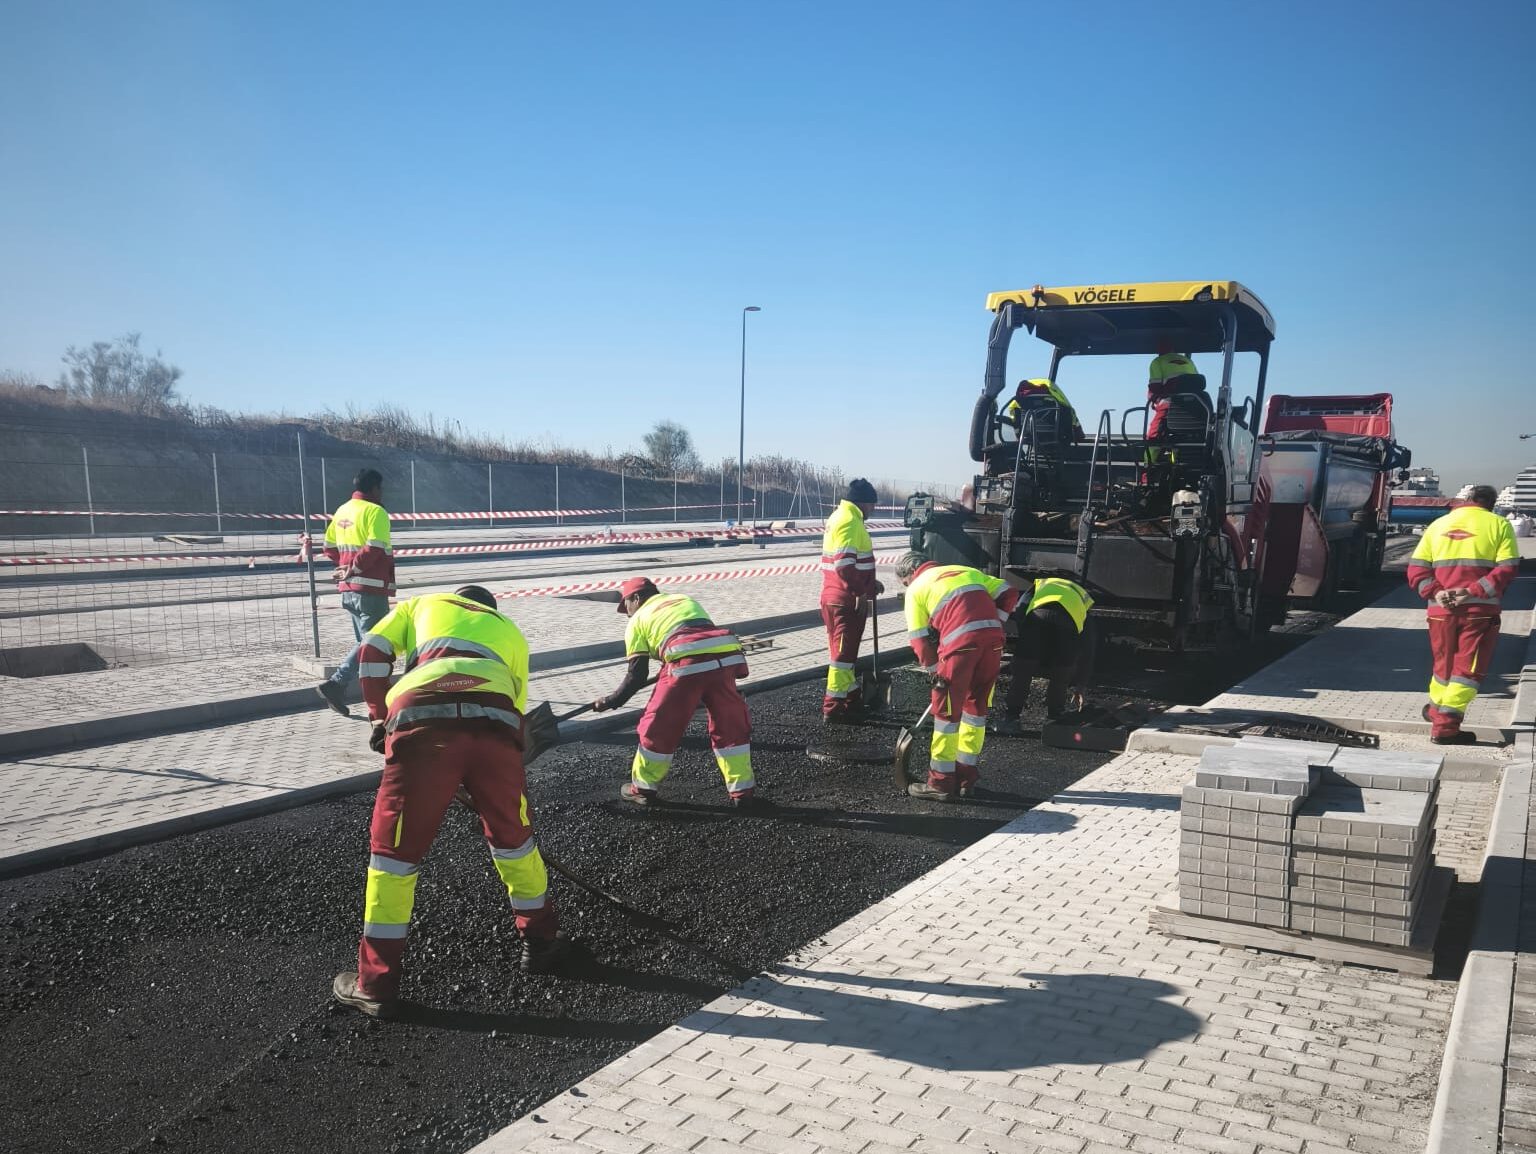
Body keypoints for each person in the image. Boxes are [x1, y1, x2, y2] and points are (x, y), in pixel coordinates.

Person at [331, 585, 566, 1019]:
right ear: (489, 609)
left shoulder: (425, 603)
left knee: (394, 858)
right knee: (514, 841)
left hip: (420, 711)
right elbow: (515, 718)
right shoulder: (511, 632)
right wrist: (478, 776)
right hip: (494, 720)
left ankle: (376, 985)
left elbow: (372, 651)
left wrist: (378, 714)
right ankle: (542, 942)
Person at [593, 577, 758, 807]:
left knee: (659, 725)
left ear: (637, 598)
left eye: (626, 605)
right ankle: (742, 794)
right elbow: (695, 634)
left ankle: (642, 788)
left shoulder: (638, 620)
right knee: (731, 725)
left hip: (685, 666)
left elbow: (636, 676)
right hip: (725, 658)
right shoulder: (682, 599)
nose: (627, 613)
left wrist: (610, 701)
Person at [895, 551, 1020, 801]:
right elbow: (1010, 593)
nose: (907, 586)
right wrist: (997, 620)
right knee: (976, 711)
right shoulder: (967, 571)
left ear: (910, 575)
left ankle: (940, 783)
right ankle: (966, 779)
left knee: (946, 715)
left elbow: (919, 640)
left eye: (904, 583)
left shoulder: (917, 589)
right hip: (993, 643)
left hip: (959, 647)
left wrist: (933, 672)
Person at [1406, 485, 1520, 745]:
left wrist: (1436, 594)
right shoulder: (1499, 525)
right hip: (1479, 612)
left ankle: (1436, 712)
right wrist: (1470, 592)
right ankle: (1445, 729)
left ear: (1466, 500)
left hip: (1439, 611)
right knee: (1467, 670)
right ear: (1490, 504)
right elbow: (1508, 569)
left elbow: (1416, 569)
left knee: (1443, 667)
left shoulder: (1438, 525)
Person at [316, 469, 395, 716]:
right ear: (374, 488)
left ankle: (369, 692)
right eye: (380, 489)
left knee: (365, 644)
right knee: (371, 644)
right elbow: (374, 548)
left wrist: (344, 568)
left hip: (348, 590)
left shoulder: (342, 510)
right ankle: (337, 684)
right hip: (369, 589)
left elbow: (328, 546)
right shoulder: (376, 512)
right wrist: (352, 568)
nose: (382, 493)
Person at [997, 576, 1096, 734]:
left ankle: (1011, 718)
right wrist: (1080, 686)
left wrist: (1027, 642)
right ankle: (1055, 719)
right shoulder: (1082, 597)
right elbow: (1088, 649)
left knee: (1023, 671)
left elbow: (1021, 608)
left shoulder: (1040, 585)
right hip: (1068, 625)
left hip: (1037, 618)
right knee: (1061, 673)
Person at [819, 478, 883, 723]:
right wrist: (860, 591)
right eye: (872, 506)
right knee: (842, 659)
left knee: (845, 654)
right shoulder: (850, 521)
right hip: (846, 601)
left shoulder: (839, 516)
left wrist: (869, 583)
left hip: (837, 598)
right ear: (863, 503)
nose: (873, 510)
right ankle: (832, 707)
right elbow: (844, 566)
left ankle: (852, 699)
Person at [1000, 378, 1084, 444]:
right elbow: (1069, 410)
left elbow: (1013, 415)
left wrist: (1018, 435)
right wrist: (1078, 432)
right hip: (1054, 437)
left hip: (1028, 436)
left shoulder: (1018, 400)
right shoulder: (1055, 396)